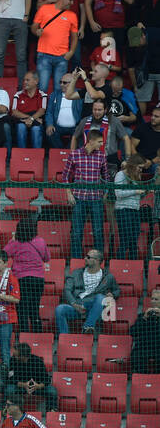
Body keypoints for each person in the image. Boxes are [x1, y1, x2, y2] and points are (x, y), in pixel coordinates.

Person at [63, 130, 109, 260]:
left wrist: (105, 193)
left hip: (96, 199)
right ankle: (76, 261)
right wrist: (69, 193)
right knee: (77, 232)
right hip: (79, 198)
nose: (101, 144)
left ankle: (98, 261)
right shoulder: (74, 154)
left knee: (98, 232)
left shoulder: (101, 156)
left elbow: (106, 177)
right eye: (99, 141)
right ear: (91, 141)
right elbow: (65, 175)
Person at [55, 249, 120, 334]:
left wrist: (112, 294)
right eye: (86, 256)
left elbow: (117, 290)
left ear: (97, 261)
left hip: (94, 307)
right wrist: (74, 304)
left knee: (101, 297)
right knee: (60, 309)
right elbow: (67, 290)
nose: (85, 258)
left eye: (88, 257)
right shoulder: (76, 273)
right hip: (78, 306)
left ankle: (87, 327)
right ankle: (65, 338)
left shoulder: (108, 277)